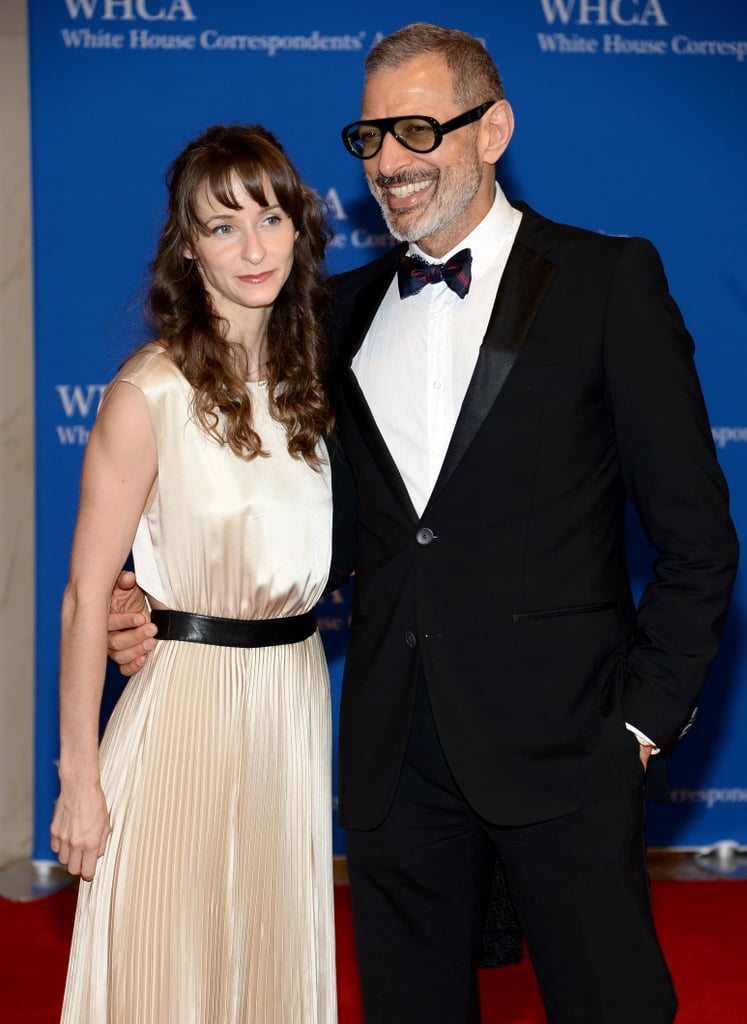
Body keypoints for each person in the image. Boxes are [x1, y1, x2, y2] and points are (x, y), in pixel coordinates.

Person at [108, 23, 740, 1024]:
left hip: (568, 747)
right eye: (370, 138)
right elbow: (287, 512)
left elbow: (699, 537)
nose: (390, 163)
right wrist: (154, 601)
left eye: (415, 130)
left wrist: (641, 720)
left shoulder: (605, 280)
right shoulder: (335, 310)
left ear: (494, 130)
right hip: (396, 758)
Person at [50, 123, 338, 1023]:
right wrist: (78, 780)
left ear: (300, 226)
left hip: (291, 705)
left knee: (268, 967)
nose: (253, 248)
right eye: (221, 226)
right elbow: (85, 596)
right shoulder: (151, 392)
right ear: (186, 245)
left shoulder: (311, 384)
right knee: (163, 976)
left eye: (269, 218)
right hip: (183, 711)